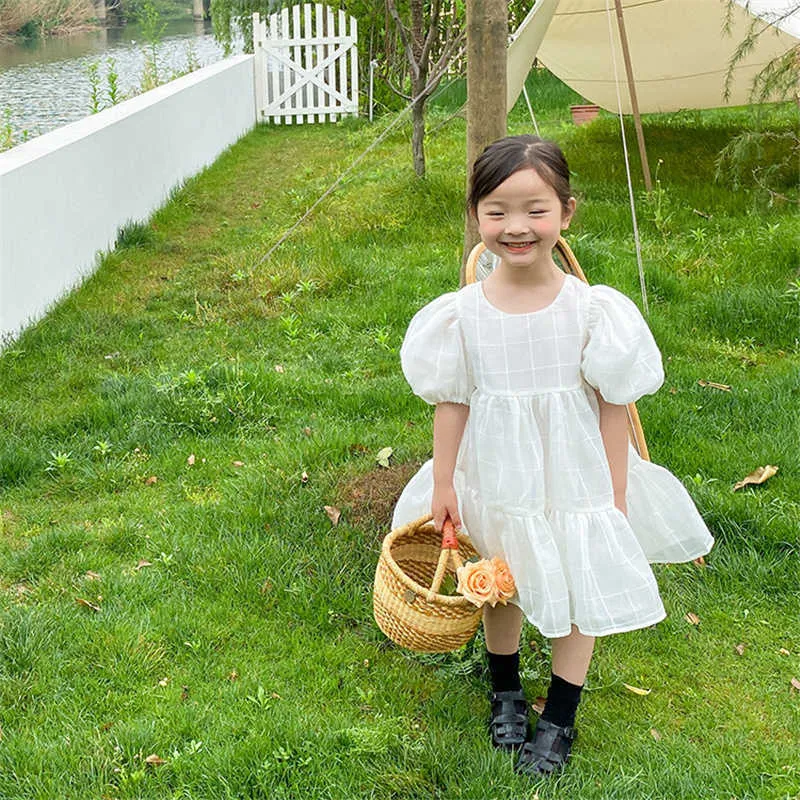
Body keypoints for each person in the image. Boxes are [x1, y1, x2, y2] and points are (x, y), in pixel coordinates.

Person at [391, 135, 714, 776]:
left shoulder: (592, 310)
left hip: (576, 476)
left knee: (577, 578)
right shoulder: (462, 316)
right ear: (476, 216)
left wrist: (614, 494)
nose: (516, 227)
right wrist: (446, 481)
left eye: (535, 210)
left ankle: (560, 714)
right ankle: (506, 691)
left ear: (566, 212)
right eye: (497, 211)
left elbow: (612, 403)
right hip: (498, 470)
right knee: (501, 581)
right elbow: (452, 401)